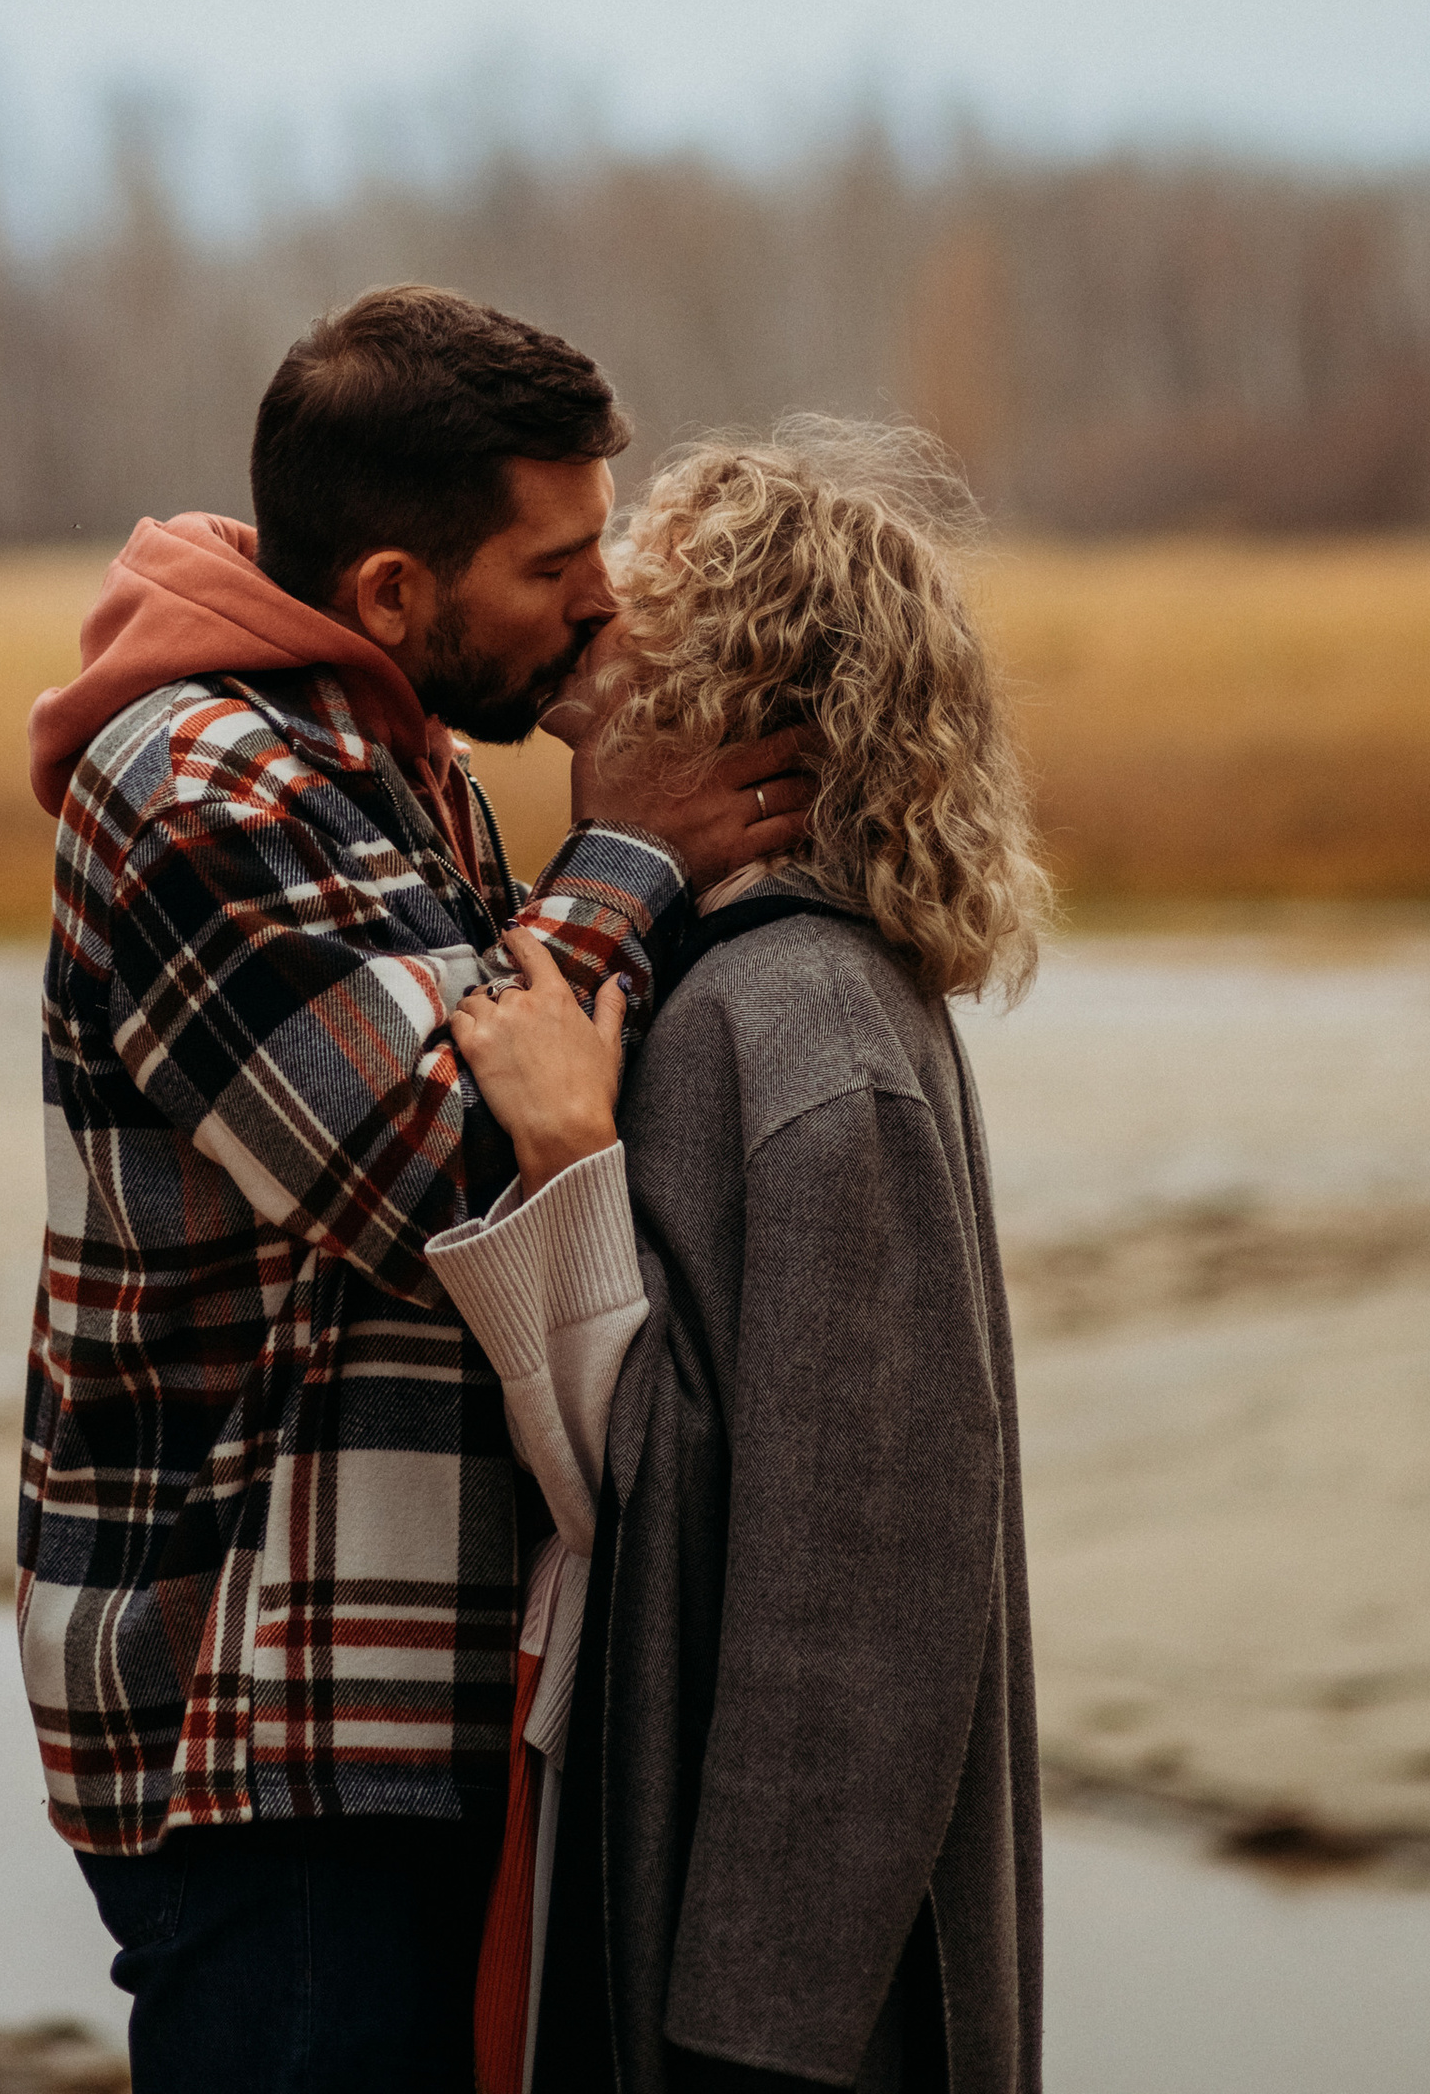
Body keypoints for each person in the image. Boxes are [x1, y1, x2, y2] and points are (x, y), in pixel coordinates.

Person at [16, 289, 818, 2094]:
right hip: (264, 1723)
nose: (603, 599)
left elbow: (518, 1091)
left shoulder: (385, 756)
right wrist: (634, 855)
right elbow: (440, 1171)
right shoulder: (192, 781)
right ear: (392, 593)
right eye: (559, 563)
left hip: (381, 1705)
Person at [430, 421, 1048, 2094]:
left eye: (632, 603)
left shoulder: (797, 1023)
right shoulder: (739, 988)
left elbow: (861, 1590)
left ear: (732, 678)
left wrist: (749, 2042)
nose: (582, 620)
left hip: (779, 2015)